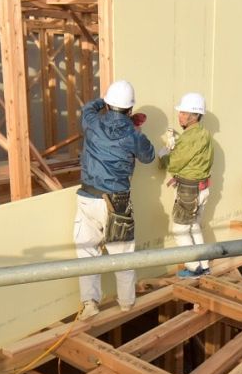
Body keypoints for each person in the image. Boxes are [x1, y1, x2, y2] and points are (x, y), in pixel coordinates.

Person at [74, 80, 155, 319]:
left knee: (87, 253)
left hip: (88, 197)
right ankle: (127, 303)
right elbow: (149, 157)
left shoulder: (92, 123)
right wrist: (137, 131)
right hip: (117, 202)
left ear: (108, 104)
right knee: (123, 254)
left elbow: (88, 108)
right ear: (130, 110)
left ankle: (90, 303)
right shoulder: (133, 134)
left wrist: (102, 101)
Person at [159, 93, 214, 278]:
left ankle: (194, 268)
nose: (179, 116)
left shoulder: (190, 137)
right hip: (201, 188)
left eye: (183, 113)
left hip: (189, 192)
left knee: (180, 229)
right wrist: (180, 176)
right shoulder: (204, 133)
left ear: (194, 116)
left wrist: (164, 153)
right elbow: (195, 163)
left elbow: (173, 163)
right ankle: (204, 265)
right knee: (194, 226)